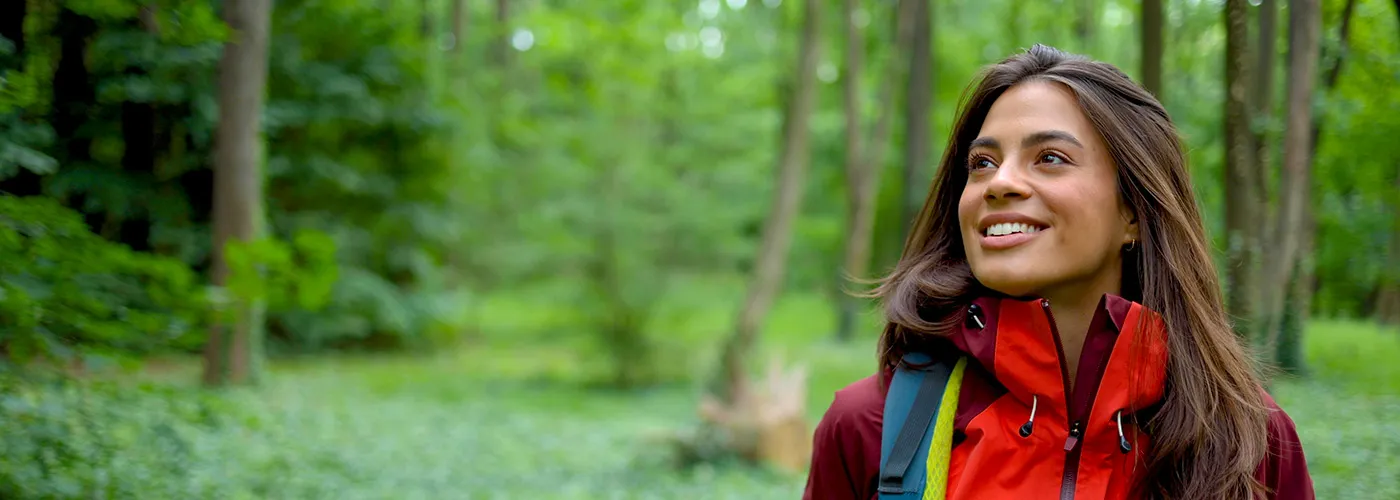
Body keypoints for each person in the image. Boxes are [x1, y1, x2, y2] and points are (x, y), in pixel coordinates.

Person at [802, 45, 1314, 500]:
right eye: (982, 163)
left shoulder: (1252, 441)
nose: (999, 183)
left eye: (1049, 157)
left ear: (1133, 212)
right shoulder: (870, 426)